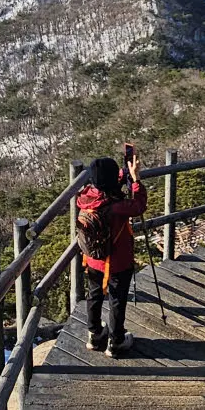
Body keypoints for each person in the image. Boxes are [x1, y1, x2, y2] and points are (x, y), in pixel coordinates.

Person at [76, 148, 147, 356]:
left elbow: (108, 182)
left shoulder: (87, 198)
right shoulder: (116, 207)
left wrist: (124, 172)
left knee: (95, 294)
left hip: (92, 259)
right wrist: (136, 180)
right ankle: (116, 342)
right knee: (116, 299)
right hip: (118, 262)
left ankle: (95, 334)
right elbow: (139, 205)